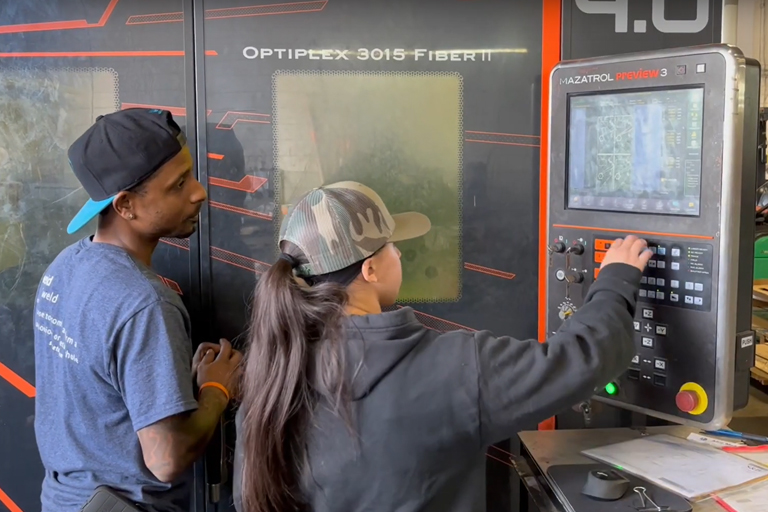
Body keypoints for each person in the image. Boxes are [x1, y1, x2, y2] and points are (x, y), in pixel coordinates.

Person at [233, 181, 652, 512]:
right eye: (392, 246)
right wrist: (616, 278)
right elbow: (583, 357)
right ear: (371, 267)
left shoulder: (271, 376)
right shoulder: (451, 369)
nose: (399, 252)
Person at [33, 108, 242, 512]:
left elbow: (103, 392)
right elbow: (166, 460)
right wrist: (217, 390)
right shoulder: (146, 302)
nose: (199, 192)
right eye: (178, 185)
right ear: (126, 205)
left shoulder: (64, 268)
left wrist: (177, 386)